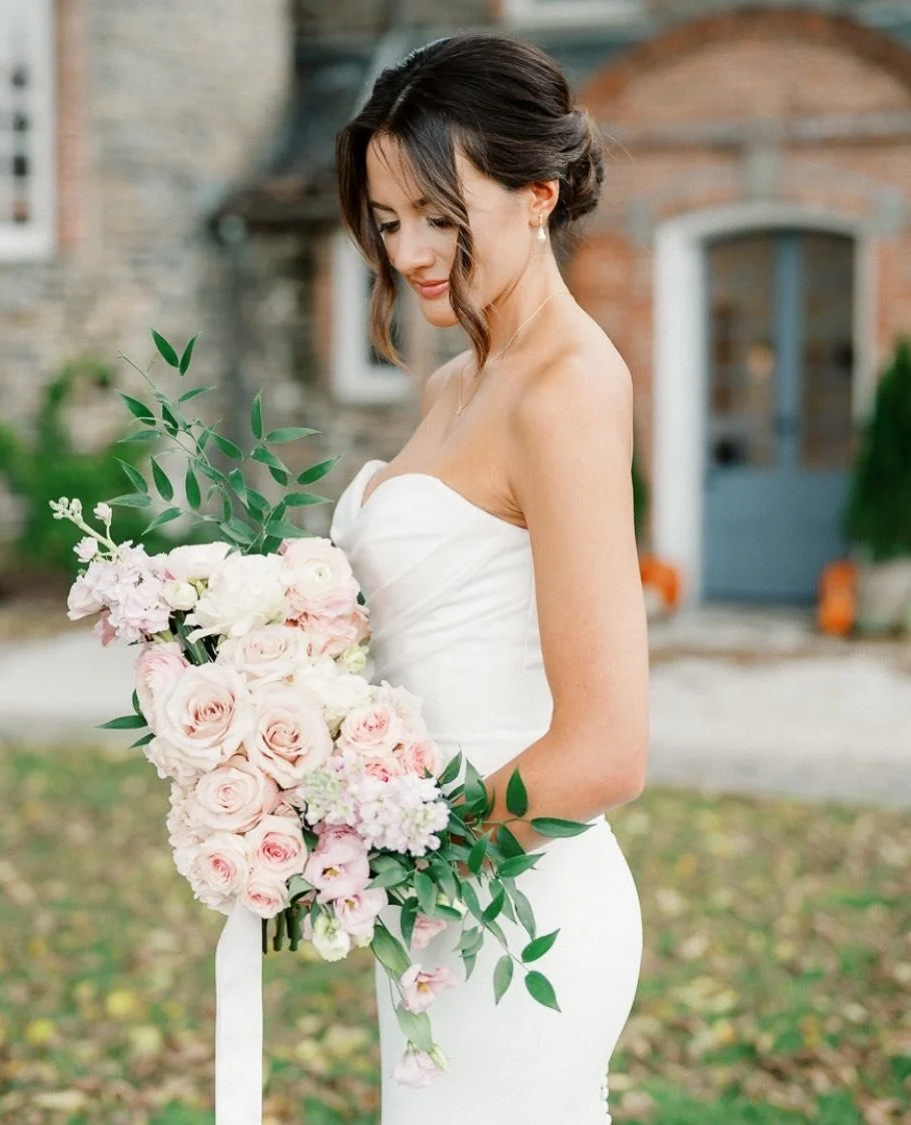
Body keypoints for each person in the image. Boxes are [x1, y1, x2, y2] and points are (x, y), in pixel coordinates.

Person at [328, 33, 647, 1123]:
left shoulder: (564, 390)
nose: (410, 251)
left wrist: (404, 856)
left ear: (537, 197)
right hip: (433, 911)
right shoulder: (455, 384)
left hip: (520, 910)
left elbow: (605, 750)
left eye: (438, 215)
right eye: (387, 220)